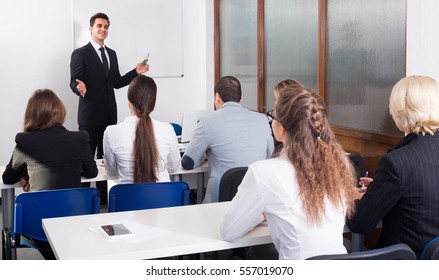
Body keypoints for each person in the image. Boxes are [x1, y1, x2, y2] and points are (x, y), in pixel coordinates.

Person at [219, 86, 356, 260]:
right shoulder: (338, 164)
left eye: (273, 116)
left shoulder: (264, 172)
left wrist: (261, 214)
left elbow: (228, 231)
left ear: (282, 128)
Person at [346, 75, 439, 258]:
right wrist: (380, 188)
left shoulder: (397, 162)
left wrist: (350, 198)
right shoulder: (401, 164)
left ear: (399, 113)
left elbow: (360, 224)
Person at [69, 12, 149, 201]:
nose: (103, 29)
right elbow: (74, 81)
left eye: (106, 26)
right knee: (87, 160)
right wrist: (78, 87)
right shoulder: (80, 53)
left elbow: (116, 82)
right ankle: (85, 199)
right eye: (99, 26)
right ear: (91, 29)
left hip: (109, 116)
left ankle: (105, 199)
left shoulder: (111, 54)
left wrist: (136, 72)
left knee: (107, 161)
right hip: (89, 117)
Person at [181, 76, 274, 203]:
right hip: (256, 199)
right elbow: (269, 157)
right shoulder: (262, 119)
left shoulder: (207, 121)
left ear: (217, 97)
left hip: (220, 201)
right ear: (241, 97)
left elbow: (187, 163)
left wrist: (204, 155)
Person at [2, 89, 98, 192]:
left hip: (38, 207)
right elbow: (91, 173)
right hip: (72, 207)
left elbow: (8, 178)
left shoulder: (25, 141)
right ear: (60, 110)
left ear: (31, 114)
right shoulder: (79, 139)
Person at [103, 75, 181, 183]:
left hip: (128, 199)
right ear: (152, 103)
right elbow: (175, 167)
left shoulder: (111, 132)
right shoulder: (167, 129)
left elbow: (110, 172)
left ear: (129, 101)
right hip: (164, 198)